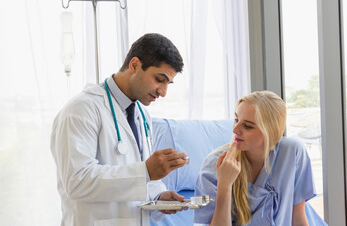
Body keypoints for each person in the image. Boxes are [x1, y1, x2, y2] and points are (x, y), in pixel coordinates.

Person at [51, 33, 189, 226]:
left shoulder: (142, 114)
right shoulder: (81, 109)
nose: (163, 92)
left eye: (168, 83)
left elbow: (140, 179)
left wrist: (159, 196)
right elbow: (77, 182)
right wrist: (146, 172)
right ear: (134, 65)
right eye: (159, 79)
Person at [194, 91, 327, 226]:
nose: (235, 130)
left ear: (270, 131)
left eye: (247, 126)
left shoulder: (292, 152)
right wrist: (225, 185)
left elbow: (297, 216)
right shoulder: (214, 164)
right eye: (236, 120)